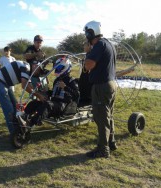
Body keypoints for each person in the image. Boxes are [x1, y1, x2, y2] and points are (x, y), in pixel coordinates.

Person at [83, 20, 118, 159]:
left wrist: (87, 53)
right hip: (111, 84)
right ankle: (111, 142)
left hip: (101, 87)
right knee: (108, 115)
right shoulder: (109, 44)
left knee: (101, 117)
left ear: (90, 33)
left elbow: (89, 65)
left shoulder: (98, 45)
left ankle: (103, 149)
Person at [18, 57, 80, 128]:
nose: (57, 70)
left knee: (47, 105)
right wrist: (45, 92)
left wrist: (65, 87)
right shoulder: (57, 80)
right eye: (56, 67)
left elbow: (77, 95)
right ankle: (23, 117)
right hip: (53, 104)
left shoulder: (71, 81)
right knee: (34, 103)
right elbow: (54, 93)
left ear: (66, 68)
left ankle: (30, 123)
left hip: (63, 106)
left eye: (59, 68)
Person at [0, 60, 46, 137]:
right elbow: (24, 86)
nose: (38, 73)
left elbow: (29, 86)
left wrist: (38, 92)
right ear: (35, 66)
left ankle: (17, 128)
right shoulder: (26, 68)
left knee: (15, 107)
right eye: (39, 70)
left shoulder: (28, 72)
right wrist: (39, 95)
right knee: (9, 109)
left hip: (5, 84)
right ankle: (15, 133)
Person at [78, 41, 93, 106]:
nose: (83, 47)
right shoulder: (88, 55)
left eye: (85, 45)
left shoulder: (91, 55)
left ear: (89, 46)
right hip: (84, 76)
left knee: (86, 88)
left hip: (88, 78)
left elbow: (87, 68)